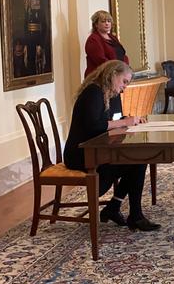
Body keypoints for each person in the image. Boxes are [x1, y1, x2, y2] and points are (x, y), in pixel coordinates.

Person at [64, 60, 160, 232]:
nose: (125, 87)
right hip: (80, 154)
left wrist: (129, 120)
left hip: (98, 149)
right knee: (136, 161)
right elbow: (94, 125)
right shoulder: (93, 92)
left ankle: (117, 209)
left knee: (138, 159)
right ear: (113, 74)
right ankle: (128, 213)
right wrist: (122, 122)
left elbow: (114, 119)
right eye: (124, 82)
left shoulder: (110, 94)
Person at [84, 10, 130, 116]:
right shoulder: (93, 39)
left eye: (109, 21)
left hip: (116, 80)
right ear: (96, 24)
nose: (107, 23)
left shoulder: (113, 38)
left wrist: (126, 69)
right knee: (106, 114)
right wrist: (118, 71)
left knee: (116, 113)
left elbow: (123, 55)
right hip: (102, 81)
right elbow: (101, 61)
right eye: (103, 21)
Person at [21, 0, 49, 76]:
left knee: (39, 68)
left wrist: (41, 44)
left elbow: (43, 20)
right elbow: (25, 19)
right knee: (29, 66)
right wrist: (25, 43)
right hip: (29, 37)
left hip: (38, 36)